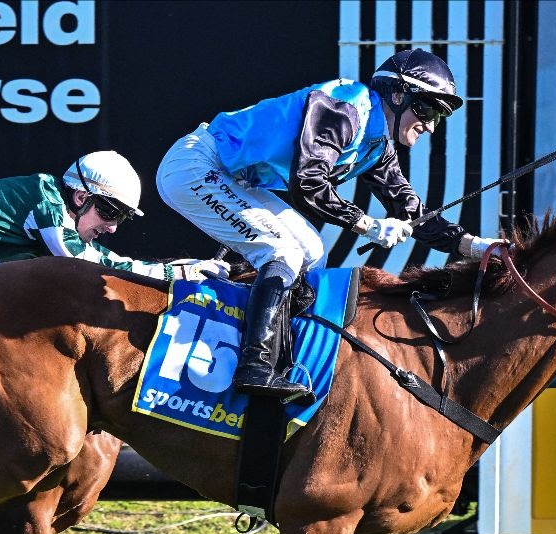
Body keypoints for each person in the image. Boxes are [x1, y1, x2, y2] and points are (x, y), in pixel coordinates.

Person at [156, 48, 501, 402]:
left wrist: (477, 246)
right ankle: (254, 367)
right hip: (197, 166)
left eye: (439, 117)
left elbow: (412, 211)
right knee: (282, 251)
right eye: (427, 109)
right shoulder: (345, 106)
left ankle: (267, 350)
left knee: (311, 250)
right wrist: (366, 224)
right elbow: (308, 183)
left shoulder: (376, 144)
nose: (429, 125)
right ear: (397, 95)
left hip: (232, 178)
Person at [0, 151, 227, 293]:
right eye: (111, 212)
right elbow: (91, 266)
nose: (113, 227)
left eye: (122, 218)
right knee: (0, 284)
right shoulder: (46, 202)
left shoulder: (52, 203)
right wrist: (175, 274)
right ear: (81, 197)